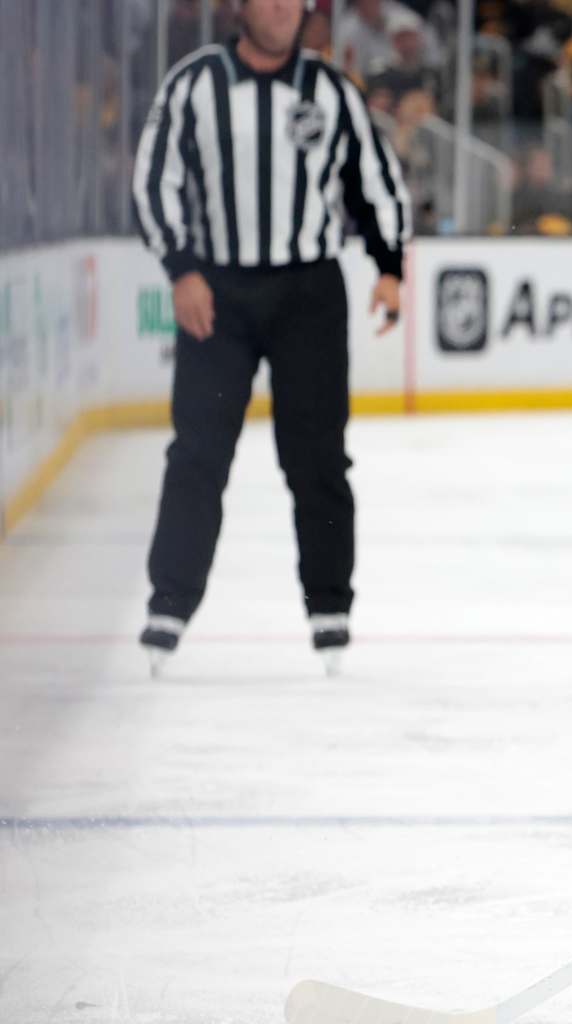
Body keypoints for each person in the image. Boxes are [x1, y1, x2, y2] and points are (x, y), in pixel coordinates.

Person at [131, 0, 412, 673]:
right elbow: (153, 181)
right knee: (198, 452)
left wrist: (390, 267)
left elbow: (373, 181)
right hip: (217, 296)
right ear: (241, 7)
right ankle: (169, 603)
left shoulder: (329, 90)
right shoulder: (195, 83)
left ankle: (329, 608)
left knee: (317, 457)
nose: (284, 8)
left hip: (308, 294)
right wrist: (183, 269)